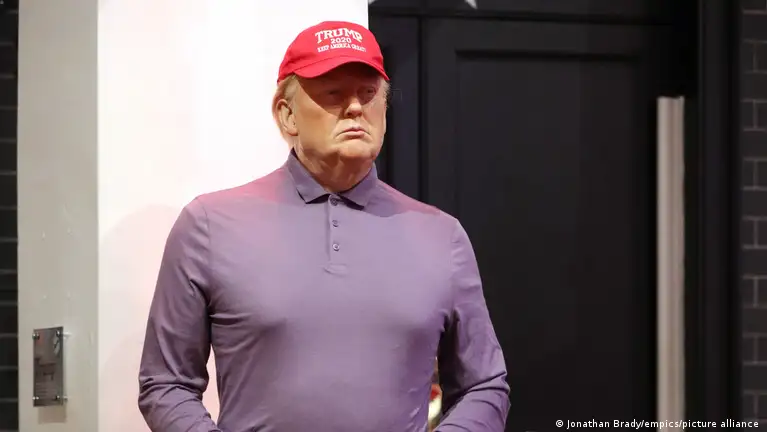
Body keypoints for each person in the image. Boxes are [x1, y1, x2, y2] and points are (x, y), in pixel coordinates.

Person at [137, 20, 509, 432]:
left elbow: (485, 386)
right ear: (287, 114)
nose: (355, 108)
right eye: (334, 93)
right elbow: (165, 384)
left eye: (368, 93)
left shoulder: (441, 236)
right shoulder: (208, 226)